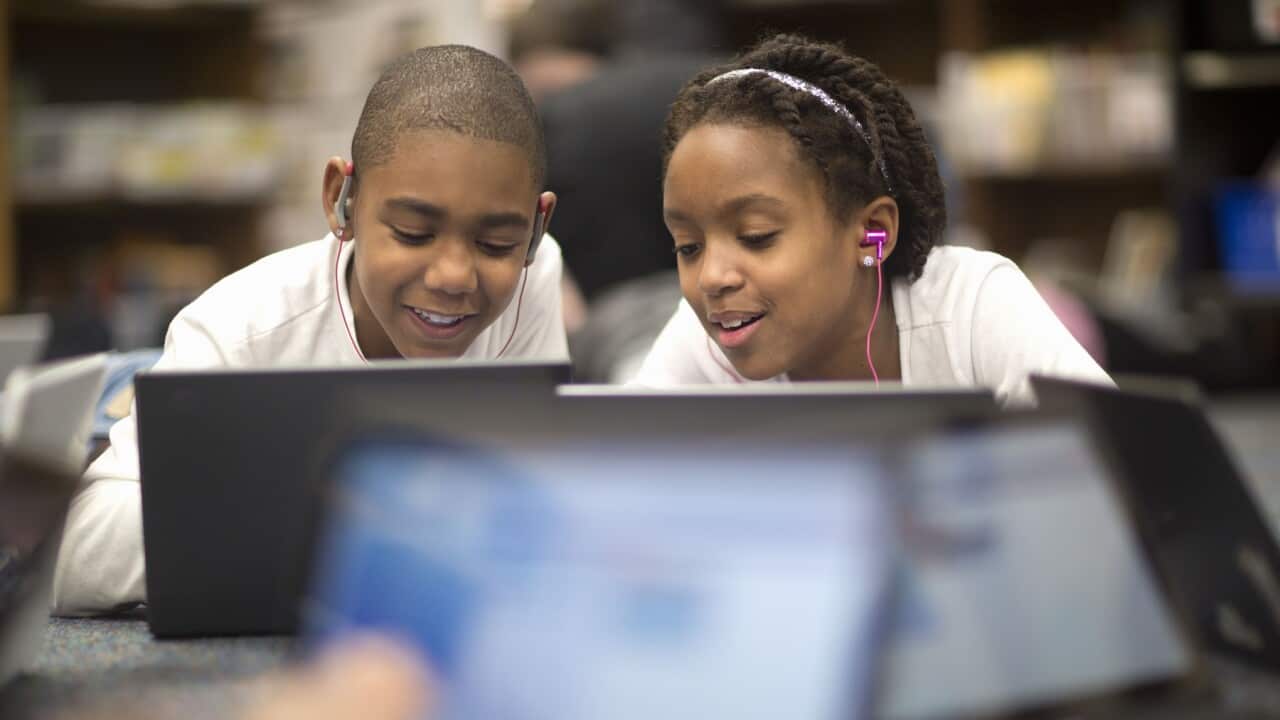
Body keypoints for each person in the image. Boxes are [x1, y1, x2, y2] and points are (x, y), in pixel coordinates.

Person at [51, 45, 568, 614]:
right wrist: (343, 525)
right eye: (414, 233)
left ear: (537, 227)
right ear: (340, 200)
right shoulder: (238, 326)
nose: (452, 276)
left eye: (495, 245)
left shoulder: (534, 278)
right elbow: (79, 553)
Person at [632, 34, 1111, 405]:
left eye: (757, 237)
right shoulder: (704, 346)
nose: (712, 278)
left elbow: (1130, 481)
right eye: (688, 247)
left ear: (871, 233)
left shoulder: (972, 311)